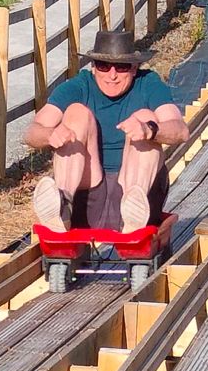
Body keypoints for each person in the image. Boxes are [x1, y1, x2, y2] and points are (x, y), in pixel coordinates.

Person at [24, 30, 189, 233]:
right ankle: (63, 206)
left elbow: (180, 130)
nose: (112, 75)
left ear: (134, 68)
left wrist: (149, 130)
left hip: (137, 189)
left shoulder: (149, 84)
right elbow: (32, 131)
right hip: (88, 190)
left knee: (145, 116)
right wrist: (50, 135)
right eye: (104, 66)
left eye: (121, 67)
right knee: (76, 113)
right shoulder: (79, 86)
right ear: (93, 68)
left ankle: (133, 211)